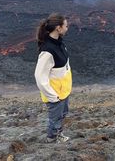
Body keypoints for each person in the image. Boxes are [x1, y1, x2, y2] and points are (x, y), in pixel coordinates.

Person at [34, 13, 72, 143]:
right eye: (66, 26)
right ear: (58, 28)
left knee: (62, 115)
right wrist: (52, 96)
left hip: (63, 91)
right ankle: (52, 139)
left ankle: (58, 135)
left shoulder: (59, 43)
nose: (67, 28)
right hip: (55, 94)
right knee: (55, 118)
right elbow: (39, 76)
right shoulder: (48, 50)